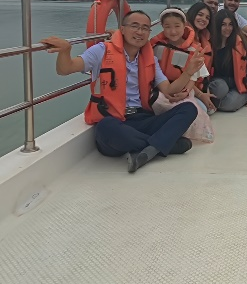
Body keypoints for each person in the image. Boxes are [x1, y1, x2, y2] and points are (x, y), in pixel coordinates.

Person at [40, 10, 205, 173]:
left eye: (145, 28)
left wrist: (188, 72)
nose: (139, 32)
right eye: (135, 26)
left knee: (189, 109)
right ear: (123, 29)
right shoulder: (101, 51)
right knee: (106, 127)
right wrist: (65, 51)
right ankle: (164, 144)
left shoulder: (150, 59)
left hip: (142, 118)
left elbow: (169, 90)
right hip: (114, 120)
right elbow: (66, 68)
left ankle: (149, 148)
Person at [150, 8, 214, 142]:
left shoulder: (193, 50)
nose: (173, 31)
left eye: (177, 26)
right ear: (162, 27)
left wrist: (186, 92)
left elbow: (194, 76)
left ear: (184, 26)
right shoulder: (156, 47)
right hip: (161, 89)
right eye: (168, 27)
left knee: (198, 112)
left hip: (185, 90)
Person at [208, 9, 247, 111]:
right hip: (219, 83)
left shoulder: (240, 45)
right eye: (223, 25)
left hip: (236, 84)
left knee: (230, 104)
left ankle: (220, 103)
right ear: (217, 26)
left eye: (230, 25)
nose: (227, 28)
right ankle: (217, 101)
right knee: (220, 89)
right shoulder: (210, 44)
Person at [185, 2, 216, 113]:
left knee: (210, 109)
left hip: (198, 86)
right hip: (182, 86)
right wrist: (200, 95)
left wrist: (205, 92)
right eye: (200, 14)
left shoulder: (204, 38)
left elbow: (205, 73)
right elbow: (179, 74)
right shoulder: (183, 37)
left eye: (207, 17)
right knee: (202, 110)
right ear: (192, 14)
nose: (203, 19)